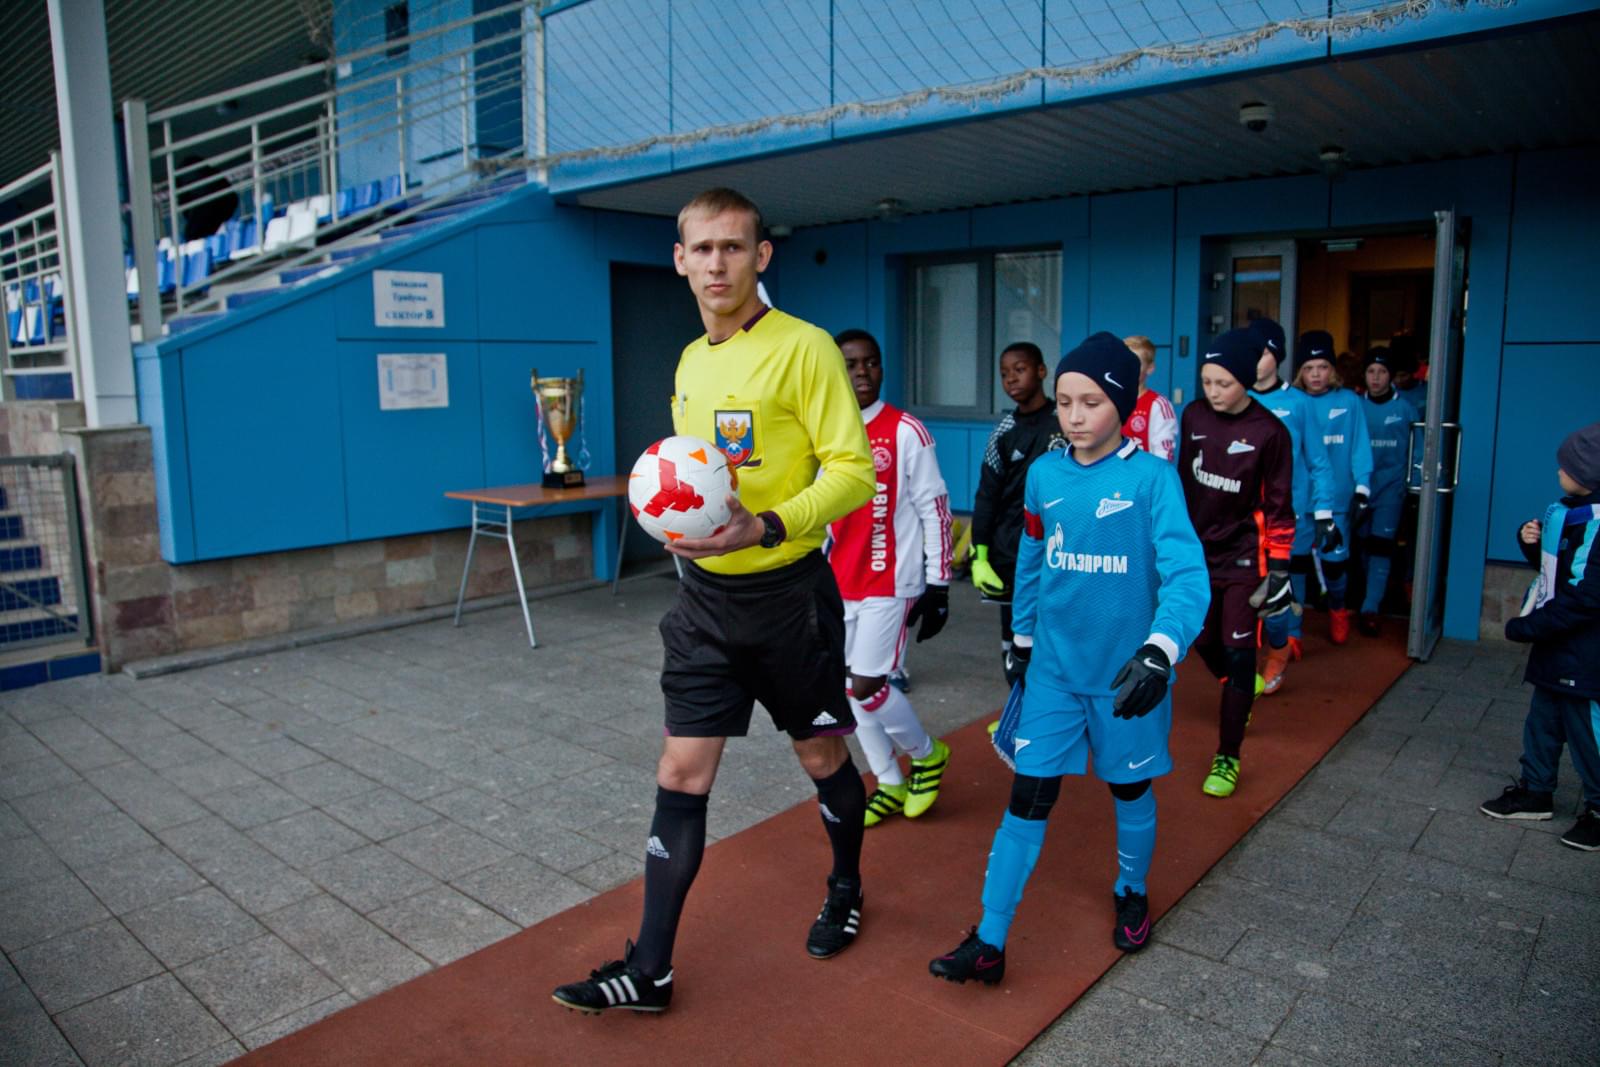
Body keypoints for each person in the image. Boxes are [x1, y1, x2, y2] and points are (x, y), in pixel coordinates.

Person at [553, 188, 876, 1014]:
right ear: (680, 259)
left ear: (761, 256)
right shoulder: (692, 359)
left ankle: (846, 885)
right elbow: (695, 473)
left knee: (821, 759)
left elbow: (852, 472)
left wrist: (766, 525)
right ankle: (651, 968)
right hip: (702, 605)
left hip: (789, 600)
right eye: (703, 249)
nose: (718, 264)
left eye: (735, 247)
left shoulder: (804, 349)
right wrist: (679, 522)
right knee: (680, 771)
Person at [928, 333, 1208, 984]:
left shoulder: (1153, 481)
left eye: (1090, 402)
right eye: (1064, 402)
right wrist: (1021, 641)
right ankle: (991, 939)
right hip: (1053, 670)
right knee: (1027, 795)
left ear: (1122, 403)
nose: (1075, 415)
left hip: (1124, 676)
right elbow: (1033, 556)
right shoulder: (1045, 474)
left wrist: (1160, 652)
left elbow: (1189, 578)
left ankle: (1131, 889)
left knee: (1129, 786)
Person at [828, 328, 954, 827]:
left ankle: (926, 753)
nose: (862, 373)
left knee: (869, 684)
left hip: (890, 581)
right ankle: (889, 781)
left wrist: (939, 582)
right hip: (841, 582)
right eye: (851, 364)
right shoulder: (828, 431)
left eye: (871, 363)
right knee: (847, 689)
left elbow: (935, 507)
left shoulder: (906, 430)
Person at [1179, 328, 1296, 798]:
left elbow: (1280, 506)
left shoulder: (1271, 433)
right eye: (1206, 381)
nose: (1213, 392)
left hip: (1244, 558)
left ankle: (1227, 756)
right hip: (1194, 553)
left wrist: (1280, 570)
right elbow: (1179, 484)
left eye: (1223, 383)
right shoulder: (1193, 416)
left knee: (1238, 645)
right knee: (1199, 640)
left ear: (1245, 380)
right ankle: (1239, 685)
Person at [1480, 422, 1600, 852]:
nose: (1558, 473)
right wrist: (1528, 543)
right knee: (1543, 720)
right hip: (1559, 648)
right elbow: (1559, 574)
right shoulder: (1570, 512)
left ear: (1588, 472)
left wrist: (1526, 626)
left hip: (1586, 653)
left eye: (1565, 466)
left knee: (1587, 730)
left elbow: (1587, 597)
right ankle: (1536, 790)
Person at [1247, 318, 1335, 694]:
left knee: (1280, 589)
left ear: (1278, 357)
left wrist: (1325, 512)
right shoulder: (1237, 397)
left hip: (1286, 514)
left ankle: (1281, 649)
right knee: (1243, 590)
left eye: (1263, 352)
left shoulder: (1298, 403)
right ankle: (1244, 656)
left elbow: (1318, 461)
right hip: (1243, 518)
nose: (1256, 359)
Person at [970, 342, 1066, 683]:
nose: (1011, 378)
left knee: (1057, 636)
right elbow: (986, 495)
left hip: (1059, 551)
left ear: (1041, 371)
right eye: (1004, 373)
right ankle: (1018, 715)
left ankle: (1050, 718)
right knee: (1014, 639)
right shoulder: (1003, 431)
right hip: (1010, 553)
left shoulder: (1065, 421)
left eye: (1020, 369)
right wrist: (979, 554)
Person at [1293, 331, 1373, 645]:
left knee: (1335, 564)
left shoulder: (1349, 402)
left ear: (1332, 369)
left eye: (1322, 366)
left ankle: (1338, 609)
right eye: (1309, 367)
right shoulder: (1293, 402)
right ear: (1300, 371)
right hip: (1299, 501)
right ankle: (1291, 630)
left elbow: (1359, 447)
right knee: (1296, 566)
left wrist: (1362, 488)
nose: (1316, 374)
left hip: (1337, 500)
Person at [1355, 347, 1419, 635]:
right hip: (1360, 486)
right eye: (1371, 371)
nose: (1376, 377)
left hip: (1391, 487)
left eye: (1381, 372)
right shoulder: (1355, 406)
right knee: (1362, 544)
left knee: (1382, 545)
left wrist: (1414, 485)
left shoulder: (1405, 409)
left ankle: (1371, 607)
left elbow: (1417, 450)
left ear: (1390, 375)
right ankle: (1368, 594)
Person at [1121, 334, 1177, 461]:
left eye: (1135, 364)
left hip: (1144, 478)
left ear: (1150, 368)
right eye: (1125, 363)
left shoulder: (1158, 405)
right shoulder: (1109, 400)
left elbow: (1164, 456)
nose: (1128, 370)